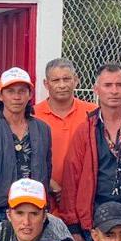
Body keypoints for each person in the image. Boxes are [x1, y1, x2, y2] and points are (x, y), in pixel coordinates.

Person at [58, 64, 121, 241]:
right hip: (98, 220)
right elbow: (71, 179)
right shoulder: (86, 130)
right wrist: (74, 228)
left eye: (119, 85)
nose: (114, 91)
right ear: (96, 89)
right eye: (108, 85)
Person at [0, 67, 53, 237]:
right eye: (10, 91)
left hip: (33, 211)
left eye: (22, 91)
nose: (17, 97)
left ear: (30, 95)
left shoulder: (42, 128)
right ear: (0, 96)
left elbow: (47, 168)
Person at [34, 58, 95, 209]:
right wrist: (50, 183)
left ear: (76, 80)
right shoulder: (33, 115)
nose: (62, 85)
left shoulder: (92, 113)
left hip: (84, 198)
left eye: (66, 79)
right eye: (55, 80)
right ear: (46, 84)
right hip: (45, 198)